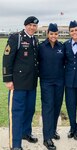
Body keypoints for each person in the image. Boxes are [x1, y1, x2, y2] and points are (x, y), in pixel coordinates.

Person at [2, 16, 39, 150]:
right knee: (16, 113)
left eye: (34, 26)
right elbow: (7, 58)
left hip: (31, 83)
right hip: (17, 84)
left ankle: (26, 133)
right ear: (25, 25)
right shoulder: (16, 37)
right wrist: (7, 79)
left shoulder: (35, 40)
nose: (32, 27)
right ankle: (15, 144)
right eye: (30, 25)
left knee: (29, 110)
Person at [39, 23, 65, 150]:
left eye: (55, 34)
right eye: (51, 33)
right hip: (46, 82)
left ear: (57, 34)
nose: (53, 36)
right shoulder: (41, 47)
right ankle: (47, 138)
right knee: (48, 108)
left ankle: (53, 131)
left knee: (56, 107)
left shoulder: (62, 46)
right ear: (47, 34)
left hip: (60, 81)